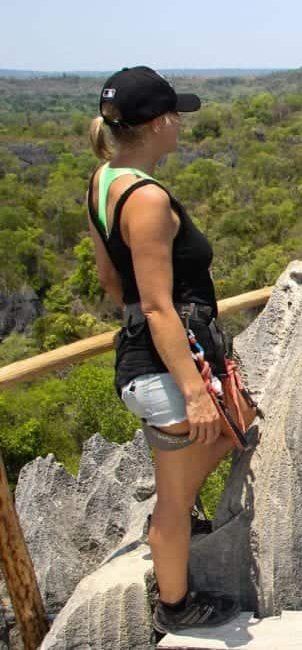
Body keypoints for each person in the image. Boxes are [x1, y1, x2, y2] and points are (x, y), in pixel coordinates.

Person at [85, 66, 239, 633]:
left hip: (145, 360)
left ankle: (172, 537)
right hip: (161, 366)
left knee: (225, 436)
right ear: (155, 125)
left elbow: (111, 281)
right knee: (176, 496)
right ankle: (177, 607)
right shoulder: (147, 200)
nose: (180, 123)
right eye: (175, 114)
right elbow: (155, 306)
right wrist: (195, 391)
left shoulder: (104, 181)